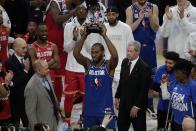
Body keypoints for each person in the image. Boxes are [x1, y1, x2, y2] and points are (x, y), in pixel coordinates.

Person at [73, 23, 118, 128]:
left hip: (105, 110)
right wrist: (84, 35)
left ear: (102, 53)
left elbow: (115, 56)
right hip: (89, 109)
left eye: (96, 52)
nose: (93, 54)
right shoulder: (88, 64)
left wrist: (104, 35)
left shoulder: (108, 66)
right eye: (92, 52)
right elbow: (76, 54)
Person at [115, 41, 151, 131]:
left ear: (137, 52)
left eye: (131, 51)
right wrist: (117, 97)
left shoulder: (144, 67)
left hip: (137, 107)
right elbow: (121, 82)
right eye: (127, 51)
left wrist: (136, 106)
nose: (128, 53)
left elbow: (144, 90)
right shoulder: (124, 62)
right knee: (121, 127)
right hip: (124, 105)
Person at [63, 5, 88, 125]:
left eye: (84, 10)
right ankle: (67, 122)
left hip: (85, 67)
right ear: (75, 12)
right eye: (79, 9)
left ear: (87, 12)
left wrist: (84, 37)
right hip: (71, 67)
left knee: (86, 97)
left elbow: (93, 49)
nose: (81, 11)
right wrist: (74, 38)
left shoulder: (91, 26)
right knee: (68, 97)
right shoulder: (68, 26)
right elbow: (66, 49)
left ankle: (83, 120)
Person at [105, 6, 134, 105]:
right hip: (108, 68)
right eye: (109, 15)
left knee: (122, 97)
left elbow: (131, 47)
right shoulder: (103, 28)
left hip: (123, 68)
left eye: (113, 14)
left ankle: (121, 119)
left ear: (117, 15)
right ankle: (111, 119)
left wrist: (129, 66)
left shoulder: (126, 28)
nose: (111, 17)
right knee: (109, 97)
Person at [161, 59, 196, 131]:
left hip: (189, 125)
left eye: (177, 72)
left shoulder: (193, 86)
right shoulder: (174, 83)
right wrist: (163, 84)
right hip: (175, 123)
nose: (175, 74)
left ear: (185, 72)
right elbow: (166, 97)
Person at [29, 23, 60, 101]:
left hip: (52, 80)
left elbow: (57, 66)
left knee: (54, 104)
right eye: (42, 31)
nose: (45, 33)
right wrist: (52, 61)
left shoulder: (53, 46)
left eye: (46, 31)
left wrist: (42, 65)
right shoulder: (32, 47)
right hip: (39, 81)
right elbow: (35, 67)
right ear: (37, 32)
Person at [25, 59, 59, 131]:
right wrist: (37, 128)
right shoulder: (31, 87)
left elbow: (51, 94)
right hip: (43, 125)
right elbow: (30, 112)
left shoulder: (47, 75)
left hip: (54, 120)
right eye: (46, 69)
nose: (49, 70)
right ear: (39, 70)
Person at [126, 0, 159, 71]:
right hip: (136, 47)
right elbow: (129, 30)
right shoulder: (130, 9)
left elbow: (155, 28)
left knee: (150, 73)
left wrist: (151, 17)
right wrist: (139, 19)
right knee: (135, 72)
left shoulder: (154, 7)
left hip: (149, 46)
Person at [6, 38, 33, 128]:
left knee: (28, 122)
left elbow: (31, 76)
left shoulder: (27, 58)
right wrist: (25, 70)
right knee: (16, 123)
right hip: (17, 98)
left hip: (28, 96)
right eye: (23, 48)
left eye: (26, 47)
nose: (25, 50)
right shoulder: (10, 62)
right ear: (15, 48)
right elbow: (14, 83)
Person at [152, 51, 179, 130]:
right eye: (166, 62)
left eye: (170, 63)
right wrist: (163, 84)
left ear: (176, 63)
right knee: (161, 128)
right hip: (162, 107)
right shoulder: (161, 69)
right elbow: (155, 86)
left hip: (175, 109)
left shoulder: (179, 72)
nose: (167, 65)